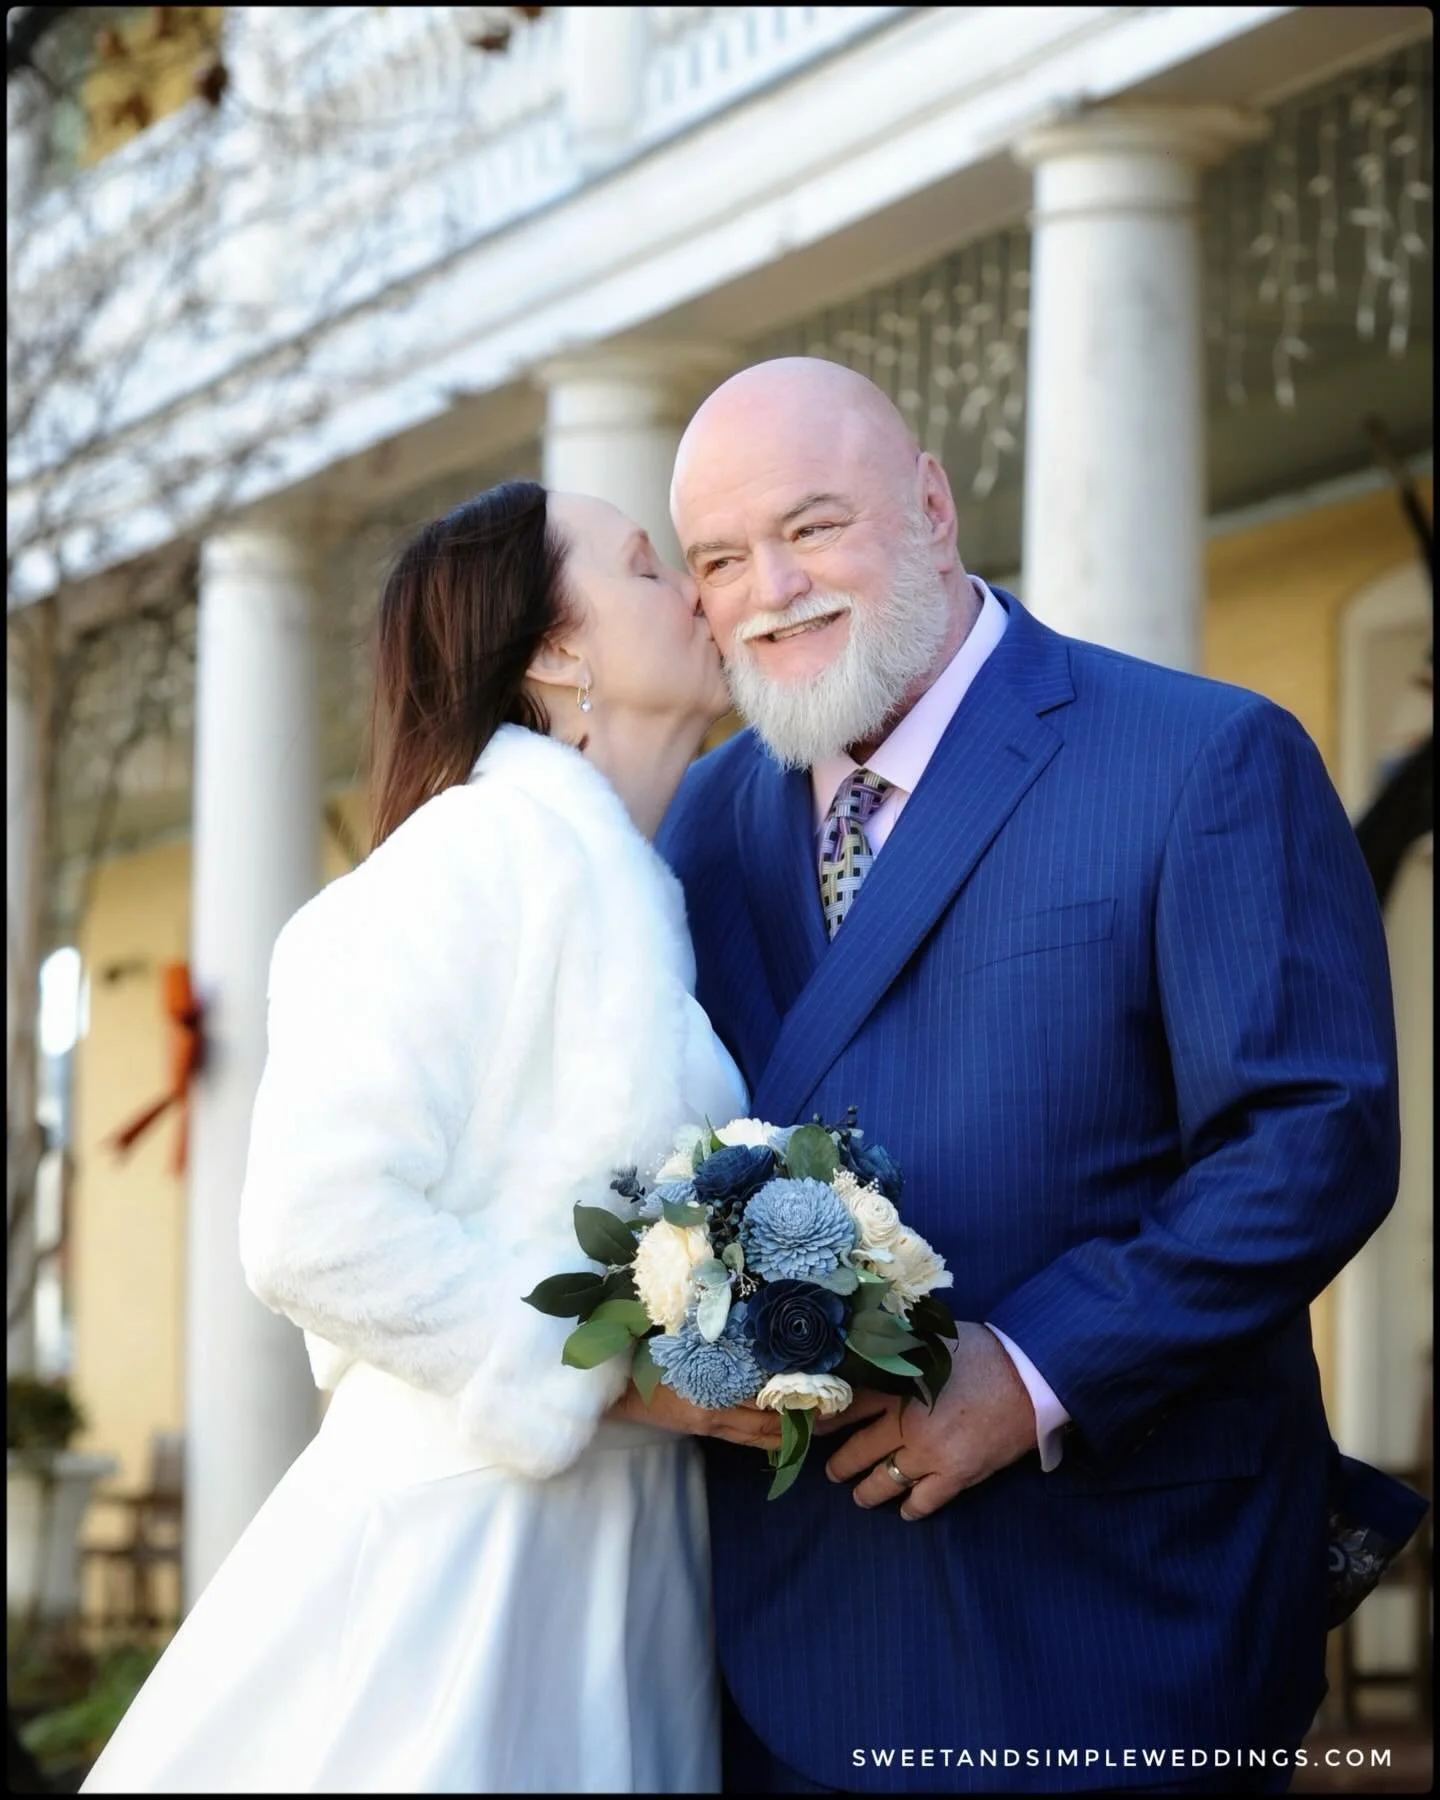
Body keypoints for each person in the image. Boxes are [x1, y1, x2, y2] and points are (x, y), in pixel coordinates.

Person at [658, 357, 1420, 1794]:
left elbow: (1312, 1138)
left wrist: (1034, 1368)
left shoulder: (1199, 760)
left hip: (1110, 1616)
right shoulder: (699, 829)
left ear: (933, 505)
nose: (771, 587)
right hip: (785, 1633)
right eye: (718, 558)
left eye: (815, 525)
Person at [82, 481, 781, 1795]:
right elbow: (313, 1227)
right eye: (646, 568)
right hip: (463, 1563)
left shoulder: (633, 898)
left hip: (626, 1559)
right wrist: (605, 1377)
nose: (693, 590)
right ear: (555, 649)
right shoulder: (458, 864)